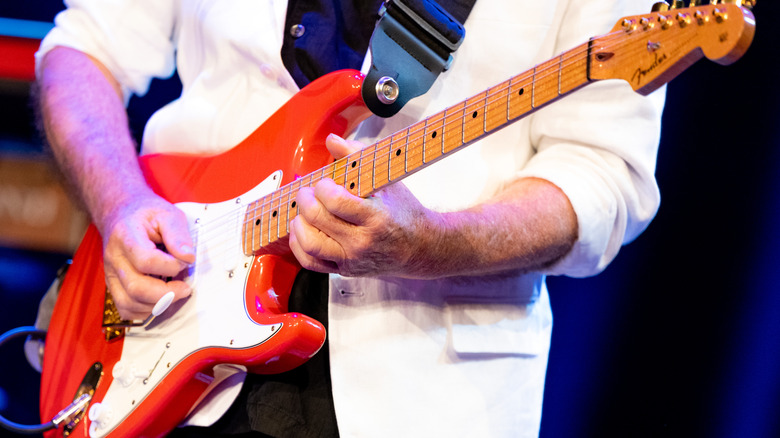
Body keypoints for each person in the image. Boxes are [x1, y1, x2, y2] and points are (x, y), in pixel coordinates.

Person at [35, 0, 665, 436]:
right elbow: (84, 50)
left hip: (422, 395)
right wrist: (121, 202)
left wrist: (432, 245)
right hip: (169, 323)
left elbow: (603, 174)